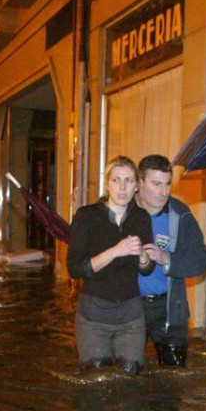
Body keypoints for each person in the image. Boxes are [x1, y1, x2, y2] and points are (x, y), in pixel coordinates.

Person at [66, 156, 155, 375]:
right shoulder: (86, 216)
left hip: (131, 315)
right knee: (97, 380)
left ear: (136, 186)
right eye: (116, 180)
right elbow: (75, 269)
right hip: (94, 316)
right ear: (107, 184)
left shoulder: (142, 218)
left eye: (128, 180)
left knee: (130, 378)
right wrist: (117, 250)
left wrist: (144, 257)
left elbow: (147, 269)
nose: (122, 187)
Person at [135, 155, 206, 367]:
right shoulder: (122, 210)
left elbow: (200, 261)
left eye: (167, 184)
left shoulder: (180, 214)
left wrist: (166, 258)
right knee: (126, 375)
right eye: (156, 184)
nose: (163, 192)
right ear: (140, 182)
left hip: (168, 308)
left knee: (173, 376)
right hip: (129, 307)